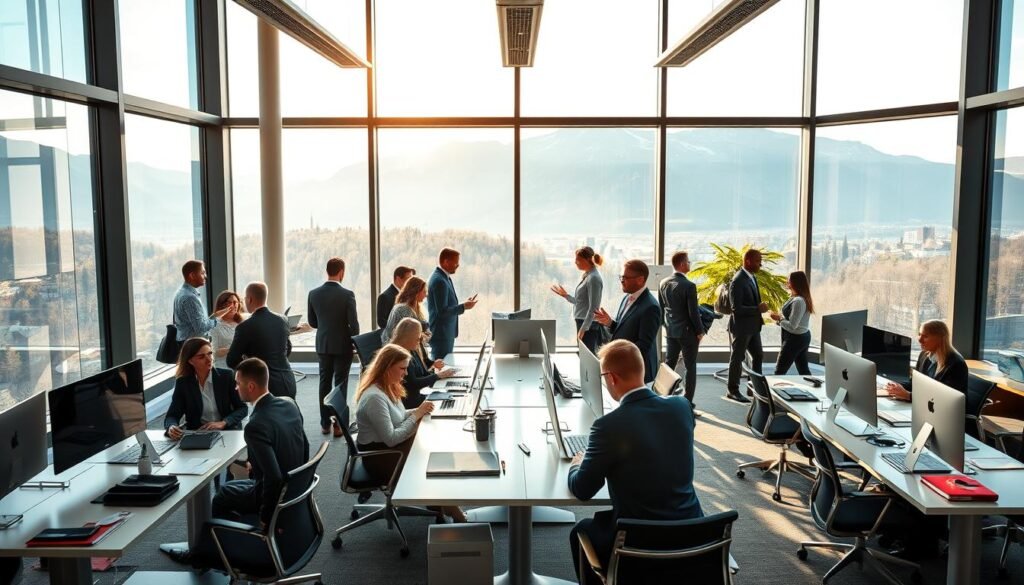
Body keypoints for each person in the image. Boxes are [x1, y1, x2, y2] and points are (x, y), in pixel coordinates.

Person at [567, 340, 702, 585]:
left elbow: (582, 490)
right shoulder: (681, 407)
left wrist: (578, 462)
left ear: (611, 378)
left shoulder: (608, 427)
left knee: (581, 531)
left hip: (639, 544)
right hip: (696, 537)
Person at [162, 358, 309, 565]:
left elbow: (273, 478)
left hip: (272, 492)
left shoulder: (255, 424)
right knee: (229, 487)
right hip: (294, 486)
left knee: (221, 497)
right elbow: (305, 445)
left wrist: (267, 518)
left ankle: (213, 556)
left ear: (250, 386)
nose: (235, 387)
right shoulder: (288, 403)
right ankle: (225, 545)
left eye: (238, 383)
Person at [355, 344, 465, 522]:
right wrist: (417, 415)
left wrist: (418, 411)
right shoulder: (374, 398)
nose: (406, 374)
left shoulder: (387, 386)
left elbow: (397, 416)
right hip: (381, 456)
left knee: (435, 447)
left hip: (388, 447)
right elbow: (392, 439)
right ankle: (452, 512)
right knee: (432, 460)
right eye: (402, 369)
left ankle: (440, 505)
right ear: (387, 367)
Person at [307, 257, 360, 435]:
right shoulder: (347, 294)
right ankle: (338, 424)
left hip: (323, 344)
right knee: (340, 384)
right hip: (343, 345)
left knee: (324, 383)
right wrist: (355, 342)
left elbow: (313, 322)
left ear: (327, 271)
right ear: (341, 272)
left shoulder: (313, 293)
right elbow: (354, 325)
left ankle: (324, 423)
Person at [164, 337, 248, 439]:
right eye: (201, 357)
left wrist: (223, 422)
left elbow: (242, 408)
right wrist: (171, 427)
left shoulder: (226, 377)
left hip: (226, 432)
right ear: (190, 361)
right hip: (198, 434)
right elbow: (172, 415)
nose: (209, 359)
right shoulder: (183, 383)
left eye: (210, 353)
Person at [593, 259, 661, 384]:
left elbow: (643, 345)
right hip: (624, 368)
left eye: (625, 277)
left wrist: (614, 354)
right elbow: (625, 329)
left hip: (638, 373)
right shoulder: (626, 298)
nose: (622, 280)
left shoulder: (651, 307)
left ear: (640, 280)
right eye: (621, 277)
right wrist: (610, 323)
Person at [226, 282, 296, 399]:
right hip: (288, 379)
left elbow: (231, 360)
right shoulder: (282, 320)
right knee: (287, 414)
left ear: (249, 299)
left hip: (265, 385)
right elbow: (288, 349)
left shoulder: (245, 327)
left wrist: (250, 366)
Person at [659, 251, 705, 405]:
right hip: (687, 333)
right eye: (688, 262)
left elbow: (662, 309)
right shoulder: (689, 286)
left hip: (671, 331)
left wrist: (667, 326)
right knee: (690, 367)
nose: (690, 264)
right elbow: (693, 313)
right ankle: (688, 402)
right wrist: (699, 331)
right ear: (683, 264)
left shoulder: (663, 283)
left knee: (669, 365)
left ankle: (663, 397)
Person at [885, 319, 968, 400]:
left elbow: (944, 398)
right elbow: (915, 383)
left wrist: (908, 396)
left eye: (925, 336)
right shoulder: (924, 355)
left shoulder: (956, 364)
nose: (919, 340)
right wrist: (896, 386)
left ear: (940, 338)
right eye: (919, 334)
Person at [725, 249, 768, 404]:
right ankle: (733, 390)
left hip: (753, 327)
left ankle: (754, 387)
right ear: (748, 261)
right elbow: (736, 308)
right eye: (758, 261)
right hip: (742, 327)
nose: (760, 264)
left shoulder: (751, 277)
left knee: (758, 355)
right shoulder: (738, 280)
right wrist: (758, 309)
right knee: (737, 358)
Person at [550, 246, 605, 353]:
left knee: (586, 356)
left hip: (587, 324)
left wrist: (583, 329)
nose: (575, 262)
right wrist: (566, 296)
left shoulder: (593, 278)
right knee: (583, 355)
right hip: (583, 321)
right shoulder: (588, 276)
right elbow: (580, 302)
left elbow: (594, 308)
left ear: (587, 260)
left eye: (578, 259)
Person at [391, 317, 455, 408]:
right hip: (409, 403)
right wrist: (438, 376)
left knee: (450, 397)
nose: (420, 340)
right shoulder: (400, 356)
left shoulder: (412, 349)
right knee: (446, 403)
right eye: (417, 337)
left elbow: (423, 373)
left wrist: (439, 373)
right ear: (407, 337)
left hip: (418, 397)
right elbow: (414, 384)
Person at [427, 247, 478, 360]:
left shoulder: (444, 278)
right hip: (442, 335)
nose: (458, 265)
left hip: (445, 334)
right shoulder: (440, 281)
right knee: (442, 368)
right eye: (456, 262)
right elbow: (442, 311)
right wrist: (464, 306)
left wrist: (464, 305)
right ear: (446, 262)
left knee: (444, 367)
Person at [173, 260, 230, 345]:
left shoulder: (180, 292)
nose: (205, 276)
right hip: (193, 346)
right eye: (202, 273)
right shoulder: (190, 297)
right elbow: (201, 328)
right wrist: (216, 320)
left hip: (186, 343)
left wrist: (215, 315)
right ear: (192, 275)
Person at [771, 270, 814, 376]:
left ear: (795, 283)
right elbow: (791, 320)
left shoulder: (798, 301)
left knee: (779, 371)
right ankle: (813, 389)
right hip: (801, 337)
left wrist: (779, 319)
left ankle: (771, 392)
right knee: (803, 370)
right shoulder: (796, 298)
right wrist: (779, 320)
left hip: (795, 339)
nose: (786, 282)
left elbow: (793, 326)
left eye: (789, 280)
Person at [381, 275, 429, 344]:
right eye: (424, 291)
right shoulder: (403, 309)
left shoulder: (416, 307)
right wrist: (423, 335)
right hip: (396, 349)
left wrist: (424, 335)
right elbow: (412, 336)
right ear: (416, 292)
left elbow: (426, 331)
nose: (426, 295)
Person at [210, 290, 245, 369]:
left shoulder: (243, 323)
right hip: (223, 367)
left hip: (241, 366)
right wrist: (233, 349)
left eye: (235, 302)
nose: (233, 305)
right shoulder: (215, 324)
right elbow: (214, 352)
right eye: (229, 302)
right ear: (222, 304)